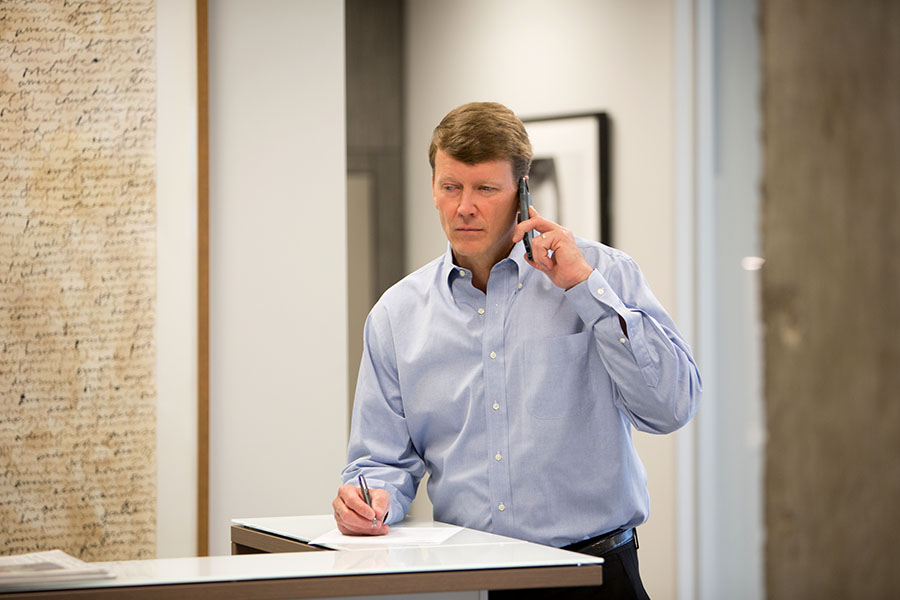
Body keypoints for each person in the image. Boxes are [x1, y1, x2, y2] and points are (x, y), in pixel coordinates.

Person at [332, 102, 701, 599]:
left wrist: (584, 290)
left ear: (523, 193)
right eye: (450, 186)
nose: (465, 206)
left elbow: (671, 407)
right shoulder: (396, 316)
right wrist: (369, 499)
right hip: (468, 579)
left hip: (594, 576)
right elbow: (380, 462)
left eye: (485, 188)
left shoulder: (601, 275)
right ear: (434, 189)